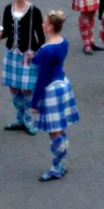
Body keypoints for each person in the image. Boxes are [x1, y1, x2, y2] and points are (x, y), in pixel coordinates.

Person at [30, 10, 80, 181]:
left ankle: (57, 167)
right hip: (63, 85)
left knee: (53, 132)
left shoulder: (46, 50)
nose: (42, 25)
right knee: (61, 128)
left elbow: (42, 78)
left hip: (51, 89)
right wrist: (35, 57)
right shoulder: (63, 42)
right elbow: (52, 63)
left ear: (50, 27)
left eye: (44, 23)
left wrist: (33, 103)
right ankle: (62, 163)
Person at [0, 0, 45, 135]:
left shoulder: (34, 11)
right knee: (14, 87)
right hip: (12, 53)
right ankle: (20, 118)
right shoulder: (8, 9)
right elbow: (7, 32)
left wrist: (35, 51)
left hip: (27, 54)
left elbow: (41, 37)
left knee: (28, 89)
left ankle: (28, 120)